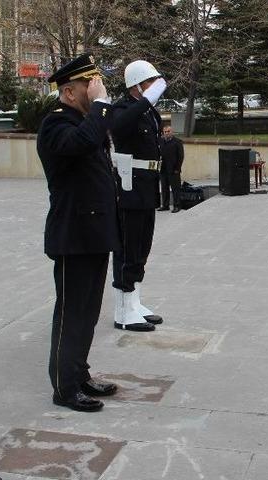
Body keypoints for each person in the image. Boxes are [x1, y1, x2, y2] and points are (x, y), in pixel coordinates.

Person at [36, 54, 120, 413]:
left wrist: (98, 110)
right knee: (71, 312)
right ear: (69, 92)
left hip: (94, 231)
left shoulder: (84, 121)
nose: (97, 90)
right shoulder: (56, 124)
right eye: (90, 85)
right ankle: (64, 386)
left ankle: (79, 372)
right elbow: (80, 145)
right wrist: (100, 107)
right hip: (74, 233)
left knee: (87, 311)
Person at [109, 60, 168, 332]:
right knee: (128, 246)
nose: (155, 86)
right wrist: (145, 101)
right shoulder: (123, 109)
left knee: (143, 245)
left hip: (147, 184)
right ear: (137, 85)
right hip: (129, 185)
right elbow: (119, 126)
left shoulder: (149, 112)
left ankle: (135, 302)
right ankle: (123, 310)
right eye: (150, 82)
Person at [159, 124, 184, 213]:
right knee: (164, 188)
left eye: (168, 131)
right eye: (165, 132)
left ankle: (177, 206)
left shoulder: (177, 142)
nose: (167, 133)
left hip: (174, 170)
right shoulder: (161, 141)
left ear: (172, 132)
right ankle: (165, 205)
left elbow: (181, 156)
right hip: (163, 169)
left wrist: (177, 168)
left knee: (175, 189)